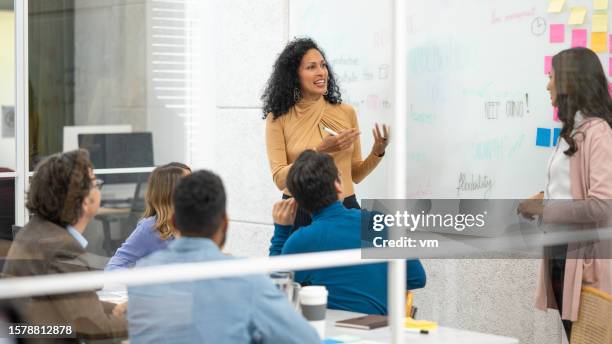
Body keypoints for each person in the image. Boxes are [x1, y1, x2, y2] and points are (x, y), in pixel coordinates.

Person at [128, 170, 320, 344]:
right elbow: (306, 340)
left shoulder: (143, 274)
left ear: (173, 222)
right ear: (225, 223)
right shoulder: (244, 277)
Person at [518, 47, 612, 338]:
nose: (548, 85)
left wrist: (546, 209)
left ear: (570, 82)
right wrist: (541, 198)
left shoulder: (599, 133)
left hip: (586, 263)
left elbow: (601, 206)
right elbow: (569, 188)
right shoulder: (571, 131)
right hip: (560, 252)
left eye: (552, 77)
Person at [269, 150, 426, 315]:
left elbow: (275, 292)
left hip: (327, 333)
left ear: (297, 201)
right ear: (337, 185)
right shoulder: (380, 223)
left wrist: (281, 231)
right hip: (381, 333)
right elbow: (417, 278)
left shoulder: (302, 240)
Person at [262, 37, 390, 231]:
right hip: (299, 212)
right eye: (311, 67)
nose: (321, 72)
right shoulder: (278, 118)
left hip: (345, 207)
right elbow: (280, 179)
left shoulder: (346, 112)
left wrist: (377, 152)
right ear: (294, 75)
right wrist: (319, 150)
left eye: (323, 65)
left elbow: (355, 174)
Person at [2, 149, 127, 341]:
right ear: (86, 200)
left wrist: (115, 308)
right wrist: (147, 321)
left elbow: (71, 305)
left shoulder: (33, 231)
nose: (98, 188)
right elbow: (93, 328)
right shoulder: (61, 248)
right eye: (96, 183)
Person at [106, 163, 191, 270]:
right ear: (172, 192)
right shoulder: (151, 227)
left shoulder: (197, 224)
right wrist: (139, 284)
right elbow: (114, 267)